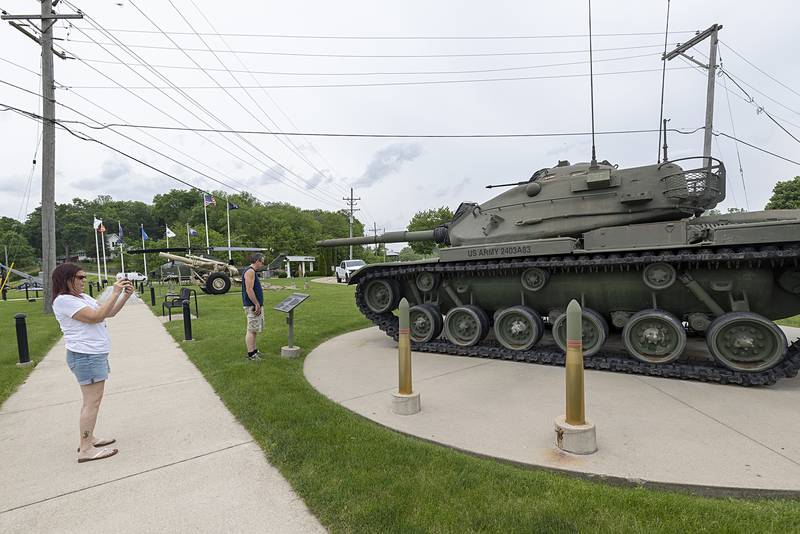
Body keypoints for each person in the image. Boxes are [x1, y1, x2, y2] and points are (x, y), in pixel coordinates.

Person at [51, 263, 133, 463]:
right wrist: (114, 291)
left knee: (92, 402)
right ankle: (85, 449)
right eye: (79, 277)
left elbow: (108, 313)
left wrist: (124, 296)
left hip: (93, 355)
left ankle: (89, 438)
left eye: (84, 277)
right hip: (85, 356)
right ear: (67, 279)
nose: (83, 280)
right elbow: (95, 317)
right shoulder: (64, 301)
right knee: (92, 403)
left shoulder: (81, 298)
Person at [242, 252, 265, 361]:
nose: (263, 264)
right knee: (251, 330)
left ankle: (254, 350)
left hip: (255, 305)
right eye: (262, 261)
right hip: (252, 306)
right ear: (257, 261)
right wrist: (256, 304)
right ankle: (251, 354)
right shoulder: (250, 271)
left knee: (254, 329)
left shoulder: (252, 272)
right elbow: (249, 289)